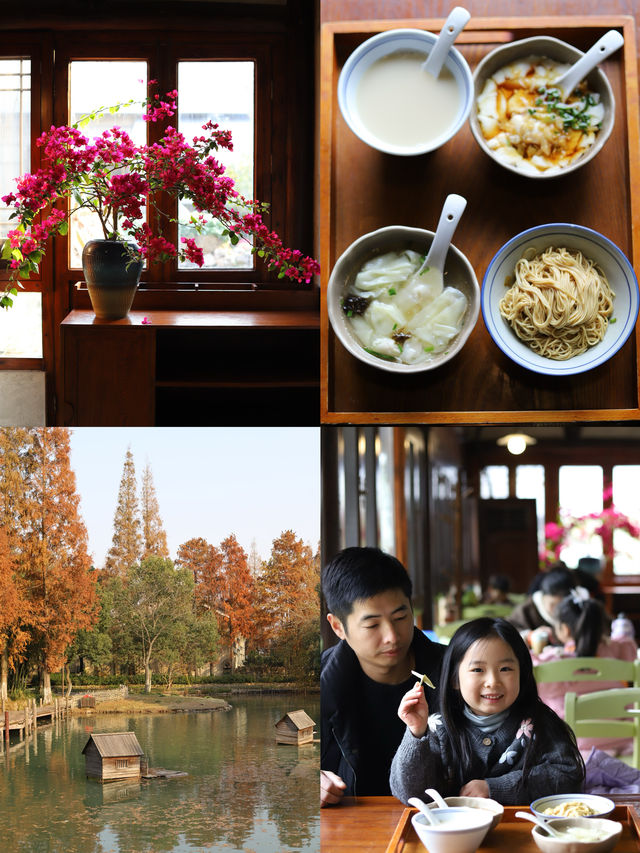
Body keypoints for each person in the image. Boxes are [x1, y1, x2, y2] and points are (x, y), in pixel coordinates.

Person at [389, 617, 584, 805]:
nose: (492, 682)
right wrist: (416, 732)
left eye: (505, 669)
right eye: (478, 670)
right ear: (455, 679)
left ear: (522, 674)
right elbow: (411, 795)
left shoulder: (540, 723)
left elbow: (570, 776)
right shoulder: (437, 728)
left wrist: (494, 789)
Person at [321, 546, 445, 806]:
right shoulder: (318, 684)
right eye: (372, 624)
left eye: (400, 617)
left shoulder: (454, 672)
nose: (392, 636)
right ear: (337, 627)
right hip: (353, 832)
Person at [533, 591, 637, 757]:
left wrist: (535, 641)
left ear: (565, 629)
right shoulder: (615, 649)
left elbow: (528, 672)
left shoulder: (552, 661)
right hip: (623, 740)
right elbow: (627, 645)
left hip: (573, 745)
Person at [508, 565, 578, 646]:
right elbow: (508, 632)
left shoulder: (577, 608)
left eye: (562, 605)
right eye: (552, 604)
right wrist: (530, 635)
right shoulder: (526, 609)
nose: (557, 609)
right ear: (543, 596)